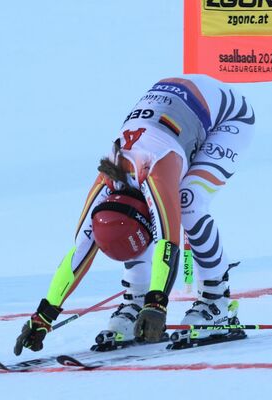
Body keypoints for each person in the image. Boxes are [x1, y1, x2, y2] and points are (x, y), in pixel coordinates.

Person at [13, 75, 255, 356]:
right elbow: (81, 249)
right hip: (177, 103)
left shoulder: (154, 171)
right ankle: (135, 299)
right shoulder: (106, 182)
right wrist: (44, 314)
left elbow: (168, 241)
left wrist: (157, 304)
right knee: (136, 220)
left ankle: (218, 302)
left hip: (229, 117)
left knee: (188, 203)